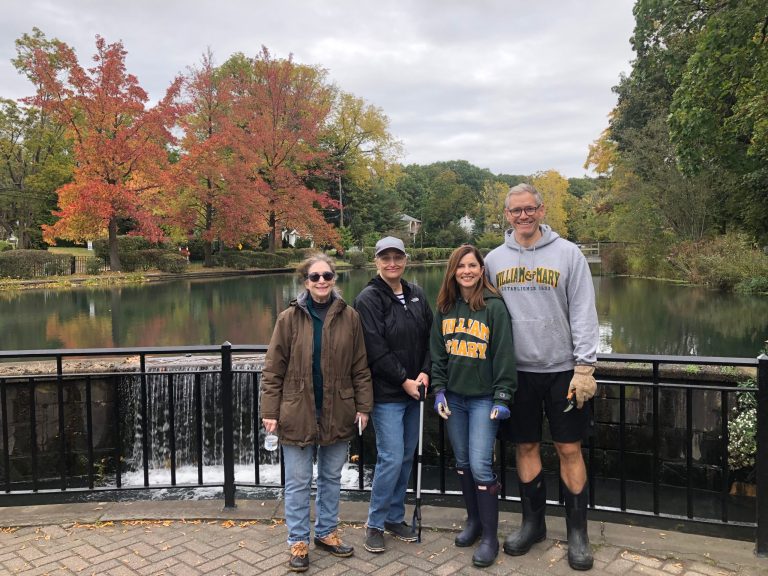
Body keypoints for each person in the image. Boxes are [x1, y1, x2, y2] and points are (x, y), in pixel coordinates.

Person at [484, 183, 599, 571]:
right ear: (507, 214)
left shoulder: (569, 254)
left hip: (563, 371)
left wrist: (585, 367)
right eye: (515, 211)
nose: (523, 216)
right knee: (525, 447)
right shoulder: (493, 260)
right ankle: (533, 524)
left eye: (529, 209)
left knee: (569, 449)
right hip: (517, 373)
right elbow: (484, 314)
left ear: (541, 209)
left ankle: (578, 533)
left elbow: (583, 310)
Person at [261, 254, 373, 573]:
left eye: (327, 275)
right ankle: (298, 541)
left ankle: (326, 533)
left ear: (335, 279)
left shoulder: (350, 317)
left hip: (338, 408)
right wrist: (270, 411)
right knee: (297, 481)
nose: (321, 281)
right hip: (296, 411)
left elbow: (360, 367)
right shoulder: (288, 319)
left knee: (330, 477)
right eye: (314, 277)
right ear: (305, 281)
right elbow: (272, 371)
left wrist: (364, 406)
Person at [430, 244, 517, 568]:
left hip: (483, 400)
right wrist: (438, 391)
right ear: (453, 271)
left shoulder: (493, 308)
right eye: (461, 266)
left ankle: (490, 537)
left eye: (472, 265)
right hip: (454, 398)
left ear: (482, 270)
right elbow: (438, 355)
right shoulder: (445, 307)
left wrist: (503, 396)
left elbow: (505, 355)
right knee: (463, 461)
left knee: (481, 464)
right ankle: (473, 521)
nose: (466, 271)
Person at [353, 236, 433, 553]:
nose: (392, 263)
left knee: (405, 457)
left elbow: (431, 338)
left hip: (416, 392)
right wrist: (404, 381)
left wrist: (425, 371)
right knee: (389, 458)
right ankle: (374, 523)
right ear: (377, 261)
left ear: (405, 259)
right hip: (388, 394)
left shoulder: (416, 294)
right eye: (385, 258)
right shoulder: (368, 299)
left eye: (397, 257)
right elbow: (375, 349)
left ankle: (394, 517)